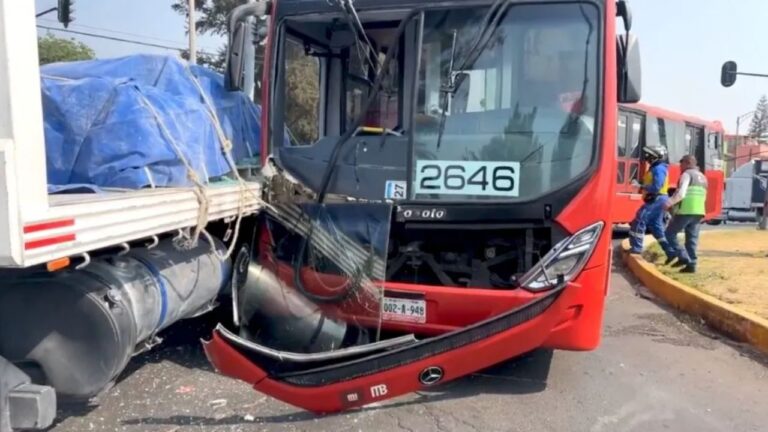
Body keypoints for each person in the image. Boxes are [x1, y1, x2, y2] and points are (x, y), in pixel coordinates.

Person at [662, 154, 709, 273]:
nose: (680, 166)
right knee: (691, 239)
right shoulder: (703, 177)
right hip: (699, 211)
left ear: (687, 163)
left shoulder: (687, 174)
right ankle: (691, 265)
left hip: (686, 210)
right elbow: (704, 195)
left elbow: (681, 193)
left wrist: (669, 203)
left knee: (669, 234)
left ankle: (683, 257)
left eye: (681, 164)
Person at [628, 146, 671, 254]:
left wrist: (641, 186)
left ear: (656, 157)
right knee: (656, 227)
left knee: (639, 220)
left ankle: (636, 248)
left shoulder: (658, 169)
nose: (647, 157)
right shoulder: (656, 168)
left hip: (656, 199)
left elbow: (656, 187)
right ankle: (670, 251)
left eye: (649, 155)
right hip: (658, 199)